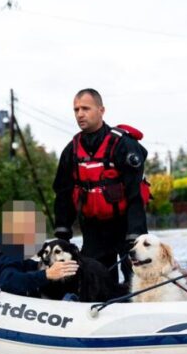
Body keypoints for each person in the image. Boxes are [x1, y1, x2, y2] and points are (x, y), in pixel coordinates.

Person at [52, 88, 149, 284]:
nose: (80, 114)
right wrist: (62, 231)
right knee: (96, 278)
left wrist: (135, 235)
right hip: (93, 227)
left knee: (135, 279)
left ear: (101, 110)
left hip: (125, 225)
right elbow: (63, 193)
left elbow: (134, 193)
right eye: (76, 109)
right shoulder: (72, 150)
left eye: (85, 108)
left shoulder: (123, 144)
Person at [0, 201, 79, 297]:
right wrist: (46, 274)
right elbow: (7, 280)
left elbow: (17, 265)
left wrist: (38, 265)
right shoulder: (11, 251)